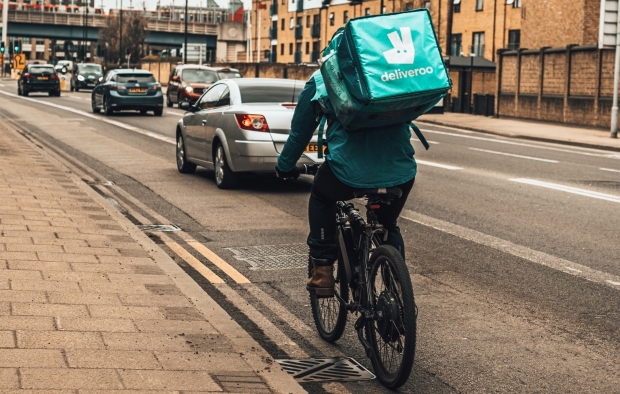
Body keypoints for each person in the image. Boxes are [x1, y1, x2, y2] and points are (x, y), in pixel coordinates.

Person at [275, 40, 417, 298]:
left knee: (321, 196)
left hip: (346, 172)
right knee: (388, 225)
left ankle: (323, 273)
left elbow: (300, 133)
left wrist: (284, 166)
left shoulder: (321, 80)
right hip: (401, 171)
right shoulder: (388, 75)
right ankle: (397, 290)